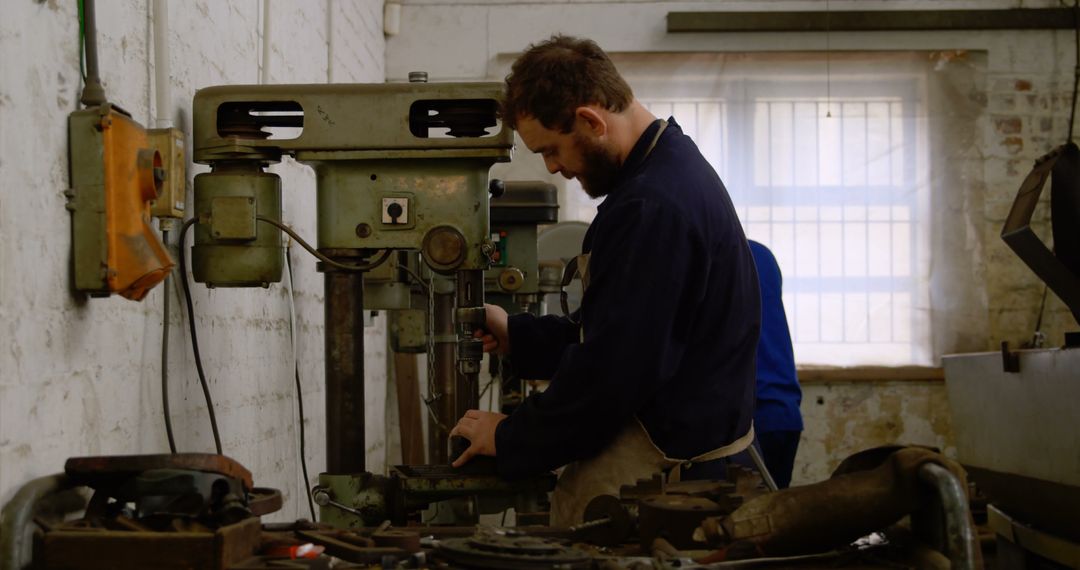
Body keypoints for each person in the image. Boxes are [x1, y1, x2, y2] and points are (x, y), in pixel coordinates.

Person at [449, 35, 761, 526]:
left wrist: (511, 437)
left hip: (665, 477)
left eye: (552, 149)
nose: (553, 167)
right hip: (680, 452)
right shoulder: (668, 171)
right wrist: (519, 334)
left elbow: (614, 372)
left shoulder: (651, 207)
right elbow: (615, 329)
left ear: (591, 121)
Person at [747, 240, 803, 489]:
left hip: (749, 423)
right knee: (771, 519)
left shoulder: (715, 256)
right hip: (784, 412)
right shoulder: (761, 254)